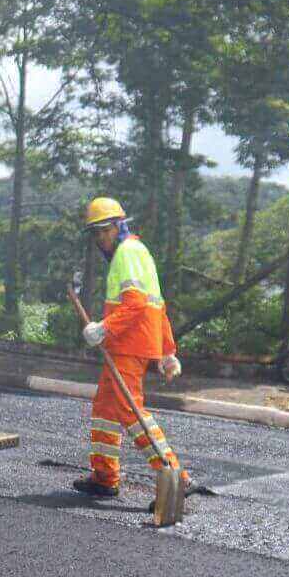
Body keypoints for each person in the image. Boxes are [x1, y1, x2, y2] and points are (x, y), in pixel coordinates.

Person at [73, 197, 189, 499]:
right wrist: (167, 350)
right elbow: (157, 304)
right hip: (129, 343)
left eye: (106, 231)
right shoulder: (137, 252)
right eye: (96, 233)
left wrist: (104, 328)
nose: (101, 238)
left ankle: (175, 474)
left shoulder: (127, 253)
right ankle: (104, 476)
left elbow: (137, 304)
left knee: (130, 410)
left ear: (120, 226)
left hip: (128, 345)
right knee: (104, 410)